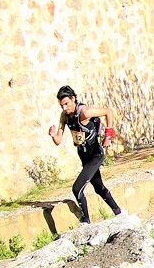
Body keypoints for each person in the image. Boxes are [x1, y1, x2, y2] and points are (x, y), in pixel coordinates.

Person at [48, 85, 122, 224]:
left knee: (77, 188)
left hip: (95, 155)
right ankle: (120, 213)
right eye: (62, 105)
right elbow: (58, 140)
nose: (64, 108)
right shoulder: (64, 116)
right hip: (84, 156)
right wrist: (53, 135)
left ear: (73, 99)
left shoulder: (85, 112)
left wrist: (108, 136)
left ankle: (85, 221)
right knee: (99, 188)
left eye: (67, 104)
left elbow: (109, 112)